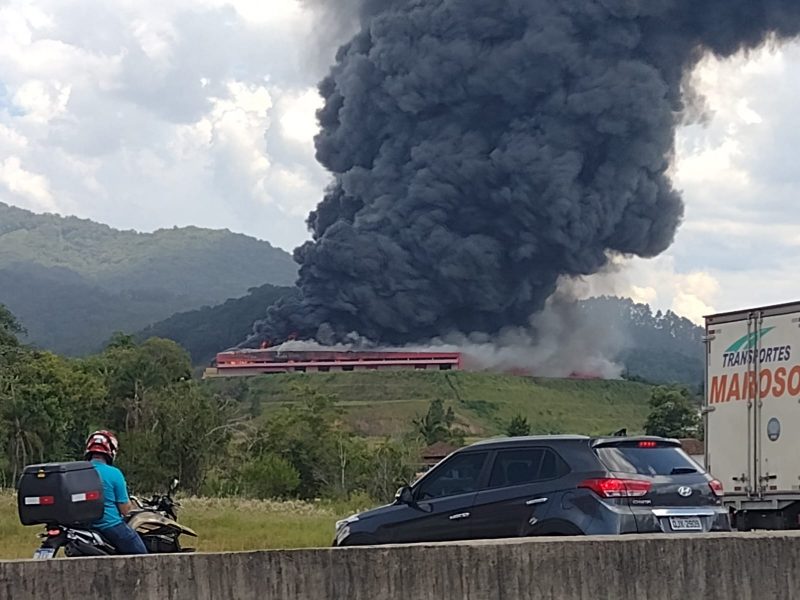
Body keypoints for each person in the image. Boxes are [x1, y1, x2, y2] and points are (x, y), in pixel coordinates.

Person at [84, 430, 148, 555]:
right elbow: (125, 509)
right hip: (109, 525)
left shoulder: (77, 471)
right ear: (111, 451)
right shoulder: (114, 473)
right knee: (142, 556)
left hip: (85, 526)